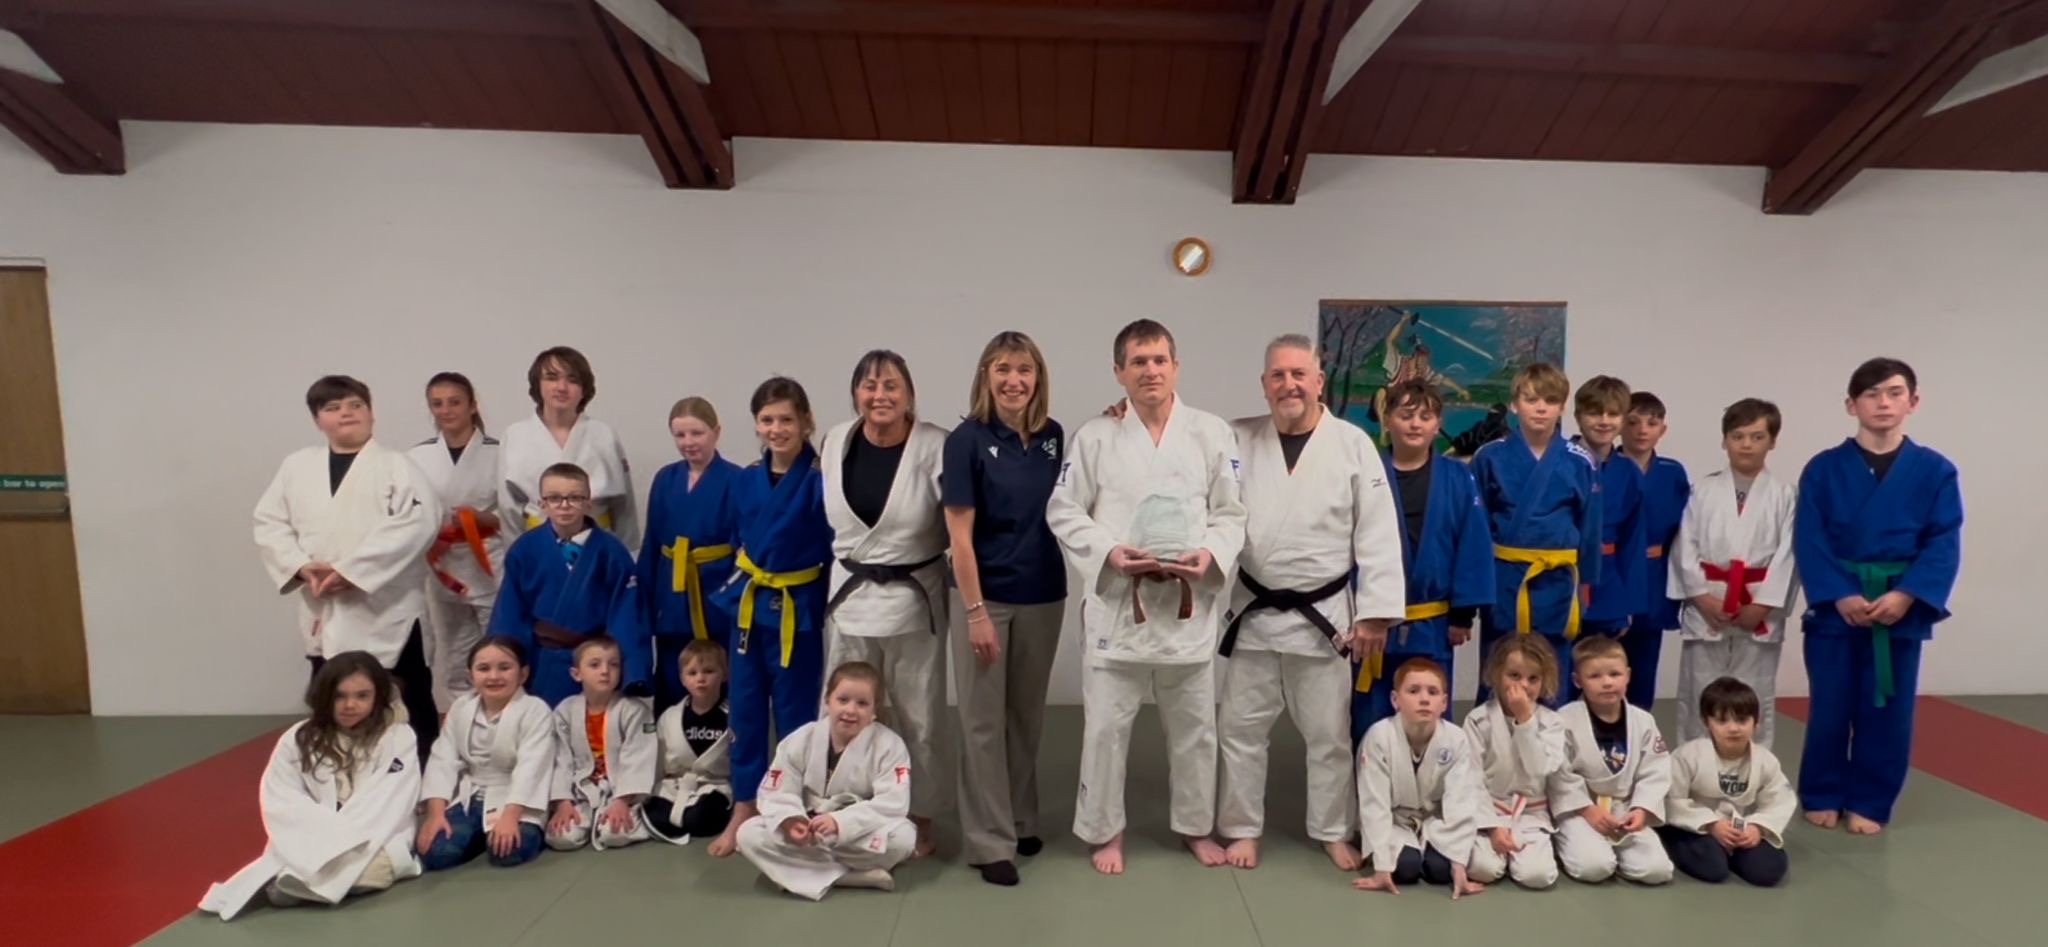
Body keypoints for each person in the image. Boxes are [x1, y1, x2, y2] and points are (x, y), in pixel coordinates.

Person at [1046, 319, 1247, 875]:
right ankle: (1104, 830)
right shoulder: (1096, 436)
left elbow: (1232, 511)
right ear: (1119, 372)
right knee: (1106, 730)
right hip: (1120, 606)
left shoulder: (1210, 432)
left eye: (1159, 359)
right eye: (1138, 361)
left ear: (1176, 366)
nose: (1150, 370)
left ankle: (1194, 827)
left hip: (1186, 605)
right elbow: (1062, 509)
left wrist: (1211, 554)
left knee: (1194, 731)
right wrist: (1109, 552)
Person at [1216, 334, 1403, 872]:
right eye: (1278, 375)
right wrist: (1124, 413)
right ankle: (1241, 827)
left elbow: (1377, 532)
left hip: (1325, 621)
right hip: (1253, 613)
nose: (1289, 384)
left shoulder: (1351, 444)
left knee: (1328, 735)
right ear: (1264, 384)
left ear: (1319, 381)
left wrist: (1374, 613)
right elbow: (1181, 447)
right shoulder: (1234, 437)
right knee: (1241, 730)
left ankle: (1330, 829)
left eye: (1299, 374)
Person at [1795, 357, 1963, 835]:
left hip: (1899, 608)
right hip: (1837, 609)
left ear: (1913, 400)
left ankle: (1871, 798)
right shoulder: (1824, 469)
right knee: (1830, 705)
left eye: (1893, 392)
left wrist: (1909, 594)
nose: (1883, 403)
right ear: (1852, 405)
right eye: (1871, 394)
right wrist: (1839, 594)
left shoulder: (1935, 471)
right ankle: (1823, 791)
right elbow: (1810, 537)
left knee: (1887, 709)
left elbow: (1943, 539)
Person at [254, 375, 443, 755]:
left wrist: (351, 572)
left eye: (356, 405)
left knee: (408, 696)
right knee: (331, 696)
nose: (346, 413)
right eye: (333, 407)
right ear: (317, 420)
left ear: (372, 414)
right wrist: (302, 567)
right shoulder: (297, 466)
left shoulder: (397, 465)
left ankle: (424, 781)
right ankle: (335, 771)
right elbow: (269, 521)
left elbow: (419, 523)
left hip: (386, 605)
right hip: (322, 601)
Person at [944, 331, 1068, 887]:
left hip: (1043, 592)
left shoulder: (1053, 437)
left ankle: (1020, 820)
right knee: (982, 722)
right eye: (1002, 369)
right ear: (985, 377)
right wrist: (974, 612)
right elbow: (959, 536)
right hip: (985, 595)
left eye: (1024, 369)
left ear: (1038, 377)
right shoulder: (966, 440)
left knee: (1025, 717)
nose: (1013, 380)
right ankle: (989, 841)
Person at [821, 350, 950, 858]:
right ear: (856, 393)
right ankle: (843, 805)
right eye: (870, 386)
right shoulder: (834, 441)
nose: (881, 396)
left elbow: (960, 518)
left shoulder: (935, 445)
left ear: (909, 393)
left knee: (919, 713)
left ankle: (921, 812)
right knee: (845, 709)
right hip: (850, 595)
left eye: (892, 386)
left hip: (913, 597)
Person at [199, 653, 421, 920]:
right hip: (312, 835)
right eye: (340, 696)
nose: (351, 705)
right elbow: (281, 797)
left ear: (378, 696)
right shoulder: (298, 738)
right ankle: (312, 882)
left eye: (362, 696)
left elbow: (388, 802)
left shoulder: (398, 736)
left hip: (372, 837)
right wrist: (320, 840)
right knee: (313, 870)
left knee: (367, 868)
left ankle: (306, 885)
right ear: (324, 696)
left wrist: (340, 844)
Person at [712, 377, 834, 858]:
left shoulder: (821, 481)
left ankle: (791, 805)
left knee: (795, 713)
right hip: (747, 604)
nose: (776, 428)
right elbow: (733, 539)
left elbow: (833, 547)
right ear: (756, 425)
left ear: (806, 421)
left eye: (786, 419)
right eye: (767, 420)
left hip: (796, 608)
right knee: (743, 707)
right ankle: (744, 804)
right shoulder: (744, 479)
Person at [1356, 379, 1493, 741]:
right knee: (1371, 715)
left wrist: (1463, 614)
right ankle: (1373, 793)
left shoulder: (1459, 477)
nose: (1415, 424)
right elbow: (1348, 545)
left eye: (1425, 416)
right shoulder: (1367, 473)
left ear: (1437, 423)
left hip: (1433, 621)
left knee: (1429, 712)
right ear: (1387, 420)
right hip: (1375, 624)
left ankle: (1433, 792)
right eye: (1405, 415)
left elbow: (1473, 544)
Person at [1669, 398, 1798, 747]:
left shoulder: (1785, 495)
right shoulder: (1703, 490)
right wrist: (1700, 596)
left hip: (1757, 608)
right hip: (1708, 604)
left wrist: (1764, 604)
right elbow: (1685, 546)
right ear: (1724, 440)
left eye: (1757, 437)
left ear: (1773, 441)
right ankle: (1692, 773)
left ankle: (1754, 777)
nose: (1746, 444)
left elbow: (1789, 555)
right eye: (1738, 435)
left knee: (1755, 695)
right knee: (1699, 691)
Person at [1470, 363, 1600, 706]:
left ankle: (1552, 753)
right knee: (1498, 667)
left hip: (1556, 578)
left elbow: (1590, 529)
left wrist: (1587, 586)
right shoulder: (1490, 456)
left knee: (1552, 670)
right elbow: (1477, 531)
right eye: (1531, 399)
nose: (1541, 407)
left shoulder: (1580, 460)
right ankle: (1490, 752)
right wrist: (1475, 591)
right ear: (1515, 405)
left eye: (1550, 400)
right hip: (1505, 579)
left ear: (1562, 407)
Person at [736, 662, 916, 900]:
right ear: (827, 700)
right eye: (843, 700)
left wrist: (840, 823)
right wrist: (791, 820)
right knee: (748, 833)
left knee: (903, 839)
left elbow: (894, 802)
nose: (851, 710)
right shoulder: (802, 738)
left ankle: (797, 872)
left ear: (875, 710)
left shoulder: (889, 745)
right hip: (810, 827)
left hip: (857, 829)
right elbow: (777, 790)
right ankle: (851, 877)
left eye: (862, 703)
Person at [488, 463, 651, 705]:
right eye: (554, 498)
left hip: (596, 665)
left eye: (575, 497)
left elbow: (626, 616)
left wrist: (632, 670)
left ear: (588, 502)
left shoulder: (612, 552)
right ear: (542, 504)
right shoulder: (525, 549)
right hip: (542, 663)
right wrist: (503, 666)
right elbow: (510, 614)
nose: (564, 505)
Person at [407, 372, 506, 713]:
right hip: (440, 563)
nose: (446, 410)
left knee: (499, 648)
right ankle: (456, 729)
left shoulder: (500, 451)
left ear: (472, 405)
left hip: (490, 560)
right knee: (450, 652)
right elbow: (408, 512)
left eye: (454, 402)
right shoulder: (417, 457)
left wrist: (486, 521)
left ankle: (503, 721)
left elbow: (521, 511)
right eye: (437, 403)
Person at [639, 396, 743, 712]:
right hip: (672, 594)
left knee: (722, 679)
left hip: (718, 592)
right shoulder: (664, 478)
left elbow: (744, 549)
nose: (688, 443)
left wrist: (734, 600)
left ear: (716, 432)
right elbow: (652, 542)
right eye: (680, 435)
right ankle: (670, 754)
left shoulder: (737, 479)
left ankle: (724, 754)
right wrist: (645, 598)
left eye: (696, 433)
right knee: (672, 678)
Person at [1351, 658, 1486, 899]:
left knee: (1441, 871)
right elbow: (1374, 802)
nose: (1424, 699)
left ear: (1444, 702)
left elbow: (1461, 800)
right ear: (1395, 700)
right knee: (1406, 869)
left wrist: (1459, 864)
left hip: (1433, 818)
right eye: (1413, 691)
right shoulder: (1379, 737)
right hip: (1394, 820)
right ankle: (1397, 855)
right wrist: (1381, 866)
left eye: (1433, 692)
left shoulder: (1456, 739)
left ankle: (1443, 856)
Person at [417, 637, 556, 870]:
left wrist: (511, 817)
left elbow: (531, 767)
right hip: (471, 796)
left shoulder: (535, 710)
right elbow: (443, 759)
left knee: (509, 851)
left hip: (515, 798)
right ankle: (479, 833)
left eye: (504, 668)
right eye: (483, 669)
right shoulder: (461, 707)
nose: (493, 676)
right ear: (471, 675)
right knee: (435, 854)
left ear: (523, 674)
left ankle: (488, 834)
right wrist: (435, 814)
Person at [1549, 636, 1674, 885]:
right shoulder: (1564, 720)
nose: (1607, 682)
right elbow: (1558, 773)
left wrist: (1641, 809)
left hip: (1625, 809)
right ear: (1577, 681)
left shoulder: (1643, 721)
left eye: (1614, 674)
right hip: (1580, 809)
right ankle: (1567, 841)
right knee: (1594, 868)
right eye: (1595, 676)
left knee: (1657, 871)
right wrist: (1588, 810)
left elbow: (1656, 771)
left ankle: (1617, 846)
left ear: (1627, 676)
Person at [1658, 677, 1793, 886]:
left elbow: (1780, 801)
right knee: (1713, 869)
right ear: (1706, 722)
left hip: (1737, 827)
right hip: (1693, 827)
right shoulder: (1688, 756)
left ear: (1756, 722)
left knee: (1769, 870)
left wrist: (1757, 828)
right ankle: (1694, 848)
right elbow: (1670, 799)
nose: (1733, 728)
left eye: (1741, 720)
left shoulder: (1765, 761)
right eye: (1722, 721)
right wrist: (1711, 825)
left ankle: (1729, 850)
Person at [500, 346, 638, 547]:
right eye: (552, 378)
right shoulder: (515, 435)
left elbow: (624, 508)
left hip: (597, 545)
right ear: (537, 384)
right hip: (538, 546)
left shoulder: (603, 434)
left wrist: (629, 555)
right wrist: (515, 558)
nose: (561, 387)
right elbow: (508, 508)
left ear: (584, 389)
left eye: (572, 380)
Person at [1462, 636, 1566, 890]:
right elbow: (1470, 779)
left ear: (1545, 681)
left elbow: (1540, 768)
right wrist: (1494, 828)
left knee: (1537, 876)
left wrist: (1525, 720)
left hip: (1530, 812)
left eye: (1533, 679)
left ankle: (1528, 852)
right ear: (1497, 675)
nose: (1524, 686)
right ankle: (1497, 845)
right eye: (1514, 675)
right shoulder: (1478, 720)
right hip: (1491, 811)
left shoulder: (1552, 722)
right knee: (1483, 870)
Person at [1570, 377, 1648, 688]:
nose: (1604, 422)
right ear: (1577, 416)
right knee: (1560, 674)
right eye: (1594, 413)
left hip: (1609, 579)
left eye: (1613, 414)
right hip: (1565, 576)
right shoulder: (1562, 461)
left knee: (1602, 678)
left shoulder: (1628, 471)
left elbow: (1633, 539)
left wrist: (1627, 603)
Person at [544, 637, 656, 850]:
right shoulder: (565, 711)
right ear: (576, 674)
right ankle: (588, 817)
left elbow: (638, 756)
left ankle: (630, 815)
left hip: (621, 789)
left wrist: (623, 800)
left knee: (615, 834)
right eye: (594, 665)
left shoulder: (634, 710)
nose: (605, 671)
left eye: (613, 664)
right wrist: (562, 802)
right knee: (560, 838)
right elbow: (560, 759)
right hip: (581, 791)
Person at [1621, 391, 1691, 710]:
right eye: (1633, 421)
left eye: (1652, 422)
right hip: (1613, 573)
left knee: (1644, 667)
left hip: (1654, 574)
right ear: (1620, 424)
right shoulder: (1601, 465)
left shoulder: (1672, 472)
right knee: (1597, 666)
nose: (1642, 430)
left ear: (1663, 429)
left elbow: (1683, 533)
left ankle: (1641, 744)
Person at [646, 639, 735, 844]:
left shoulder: (733, 717)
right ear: (682, 679)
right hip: (674, 783)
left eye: (709, 671)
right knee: (656, 815)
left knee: (700, 820)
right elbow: (659, 759)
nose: (700, 679)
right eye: (692, 673)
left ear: (725, 675)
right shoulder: (670, 717)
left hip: (713, 786)